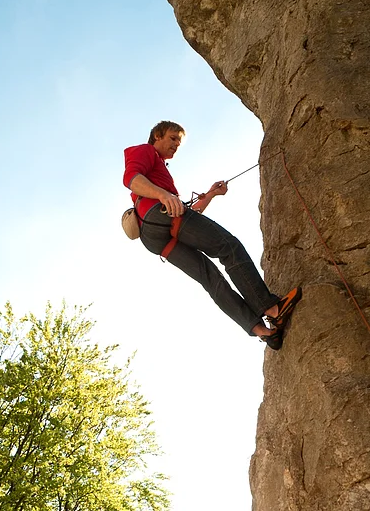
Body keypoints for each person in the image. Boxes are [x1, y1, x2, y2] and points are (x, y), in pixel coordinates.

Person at [123, 120, 300, 347]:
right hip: (159, 216)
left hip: (157, 236)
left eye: (179, 141)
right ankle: (272, 309)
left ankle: (263, 332)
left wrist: (211, 195)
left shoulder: (160, 171)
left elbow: (190, 217)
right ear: (157, 135)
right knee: (228, 246)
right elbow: (131, 178)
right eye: (173, 138)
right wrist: (164, 196)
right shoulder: (145, 151)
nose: (177, 144)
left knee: (210, 278)